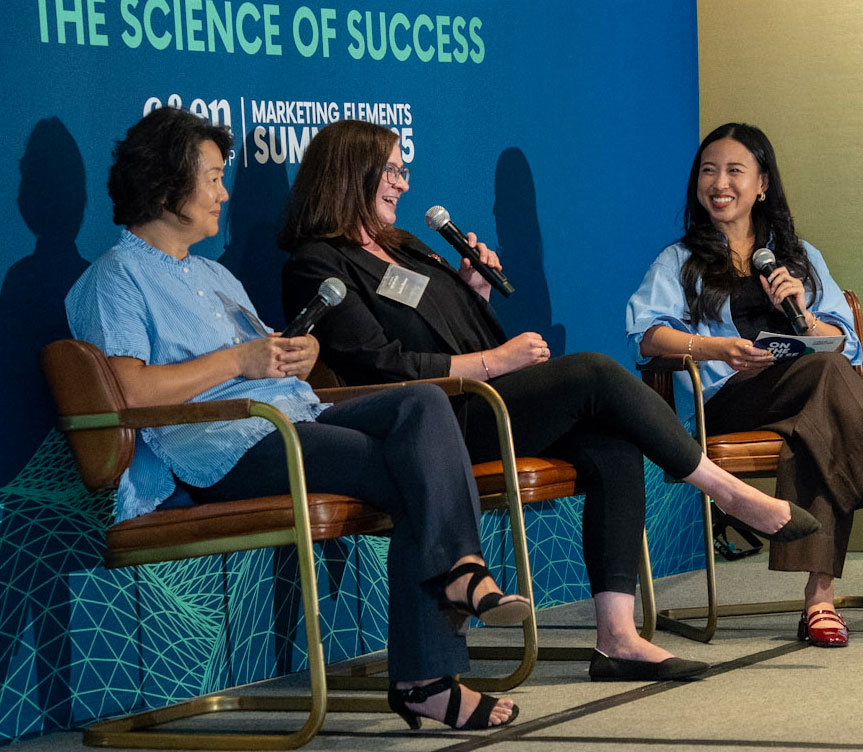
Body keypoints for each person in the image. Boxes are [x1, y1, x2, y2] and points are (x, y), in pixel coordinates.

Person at [279, 119, 820, 681]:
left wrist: (474, 291)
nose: (404, 183)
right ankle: (726, 492)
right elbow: (379, 365)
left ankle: (617, 640)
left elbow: (455, 334)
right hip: (432, 425)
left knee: (612, 445)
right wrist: (496, 361)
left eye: (402, 170)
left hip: (481, 401)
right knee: (593, 371)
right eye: (391, 171)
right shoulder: (317, 262)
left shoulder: (407, 247)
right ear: (352, 172)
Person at [64, 107, 532, 730]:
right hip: (223, 448)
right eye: (213, 179)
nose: (224, 193)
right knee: (416, 474)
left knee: (422, 401)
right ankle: (431, 665)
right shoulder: (114, 279)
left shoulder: (213, 274)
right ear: (167, 184)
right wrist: (241, 359)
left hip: (292, 419)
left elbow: (267, 359)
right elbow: (127, 391)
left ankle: (457, 588)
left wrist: (297, 356)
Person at [626, 122, 863, 647]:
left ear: (762, 184)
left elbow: (844, 343)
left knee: (813, 423)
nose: (719, 183)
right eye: (709, 171)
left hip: (800, 398)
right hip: (726, 401)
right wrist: (717, 349)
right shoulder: (679, 261)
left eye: (734, 171)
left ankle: (820, 600)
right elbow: (647, 335)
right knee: (825, 381)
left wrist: (805, 316)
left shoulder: (798, 257)